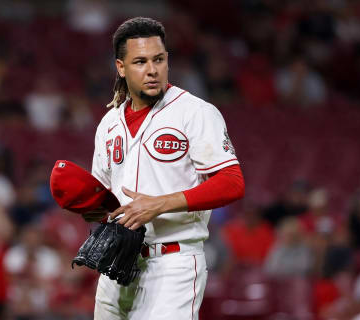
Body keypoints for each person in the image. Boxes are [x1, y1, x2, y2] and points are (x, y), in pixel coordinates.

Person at [87, 17, 244, 319]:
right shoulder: (109, 123)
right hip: (117, 261)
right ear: (121, 67)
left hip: (174, 263)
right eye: (140, 61)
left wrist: (158, 205)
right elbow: (103, 199)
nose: (152, 70)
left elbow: (232, 182)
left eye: (158, 59)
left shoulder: (195, 112)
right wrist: (81, 202)